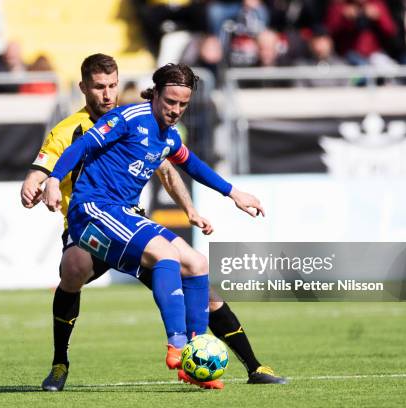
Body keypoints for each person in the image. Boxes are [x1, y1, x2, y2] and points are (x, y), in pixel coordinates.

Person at [23, 55, 285, 392]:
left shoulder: (163, 133)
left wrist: (229, 194)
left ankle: (233, 362)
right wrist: (44, 181)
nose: (107, 94)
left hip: (127, 217)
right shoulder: (110, 121)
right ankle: (65, 363)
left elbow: (179, 167)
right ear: (84, 88)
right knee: (77, 269)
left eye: (112, 86)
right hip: (91, 218)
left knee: (196, 265)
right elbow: (60, 155)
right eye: (100, 87)